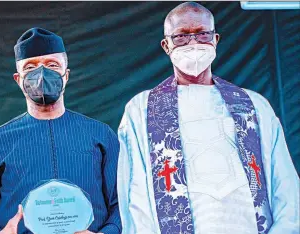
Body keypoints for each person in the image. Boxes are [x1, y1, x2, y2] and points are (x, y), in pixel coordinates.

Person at [117, 2, 299, 234]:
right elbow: (134, 194)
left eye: (202, 34)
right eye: (181, 36)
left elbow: (285, 187)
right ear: (166, 45)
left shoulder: (254, 106)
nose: (193, 43)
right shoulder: (141, 110)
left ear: (215, 39)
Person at [0, 27, 121, 234]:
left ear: (66, 75)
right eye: (30, 67)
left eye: (52, 65)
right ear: (18, 79)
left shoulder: (101, 136)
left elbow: (120, 205)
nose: (41, 74)